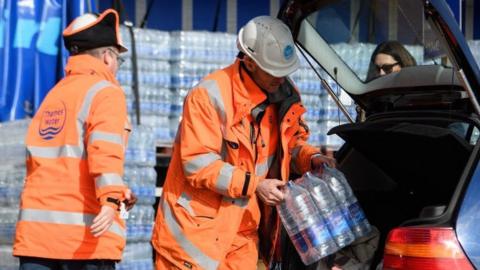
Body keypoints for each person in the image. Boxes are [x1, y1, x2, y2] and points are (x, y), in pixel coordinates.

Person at [151, 16, 336, 269]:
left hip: (243, 231)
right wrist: (255, 185)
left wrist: (311, 158)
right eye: (273, 71)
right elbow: (198, 165)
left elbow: (290, 146)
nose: (280, 79)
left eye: (285, 71)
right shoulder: (208, 96)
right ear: (249, 61)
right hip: (195, 237)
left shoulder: (283, 95)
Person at [13, 9, 137, 270]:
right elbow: (105, 152)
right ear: (106, 57)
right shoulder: (106, 93)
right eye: (118, 59)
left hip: (37, 241)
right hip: (84, 242)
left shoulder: (53, 96)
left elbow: (55, 166)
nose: (117, 67)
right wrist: (112, 199)